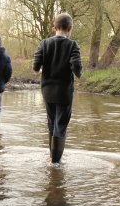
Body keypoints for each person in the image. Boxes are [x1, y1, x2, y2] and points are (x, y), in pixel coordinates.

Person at [33, 13, 83, 164]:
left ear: (54, 27)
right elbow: (77, 69)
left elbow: (36, 66)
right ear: (70, 28)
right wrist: (79, 73)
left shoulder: (44, 43)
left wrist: (42, 70)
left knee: (51, 123)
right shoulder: (72, 45)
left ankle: (52, 159)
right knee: (60, 125)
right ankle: (56, 164)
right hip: (64, 92)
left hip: (47, 91)